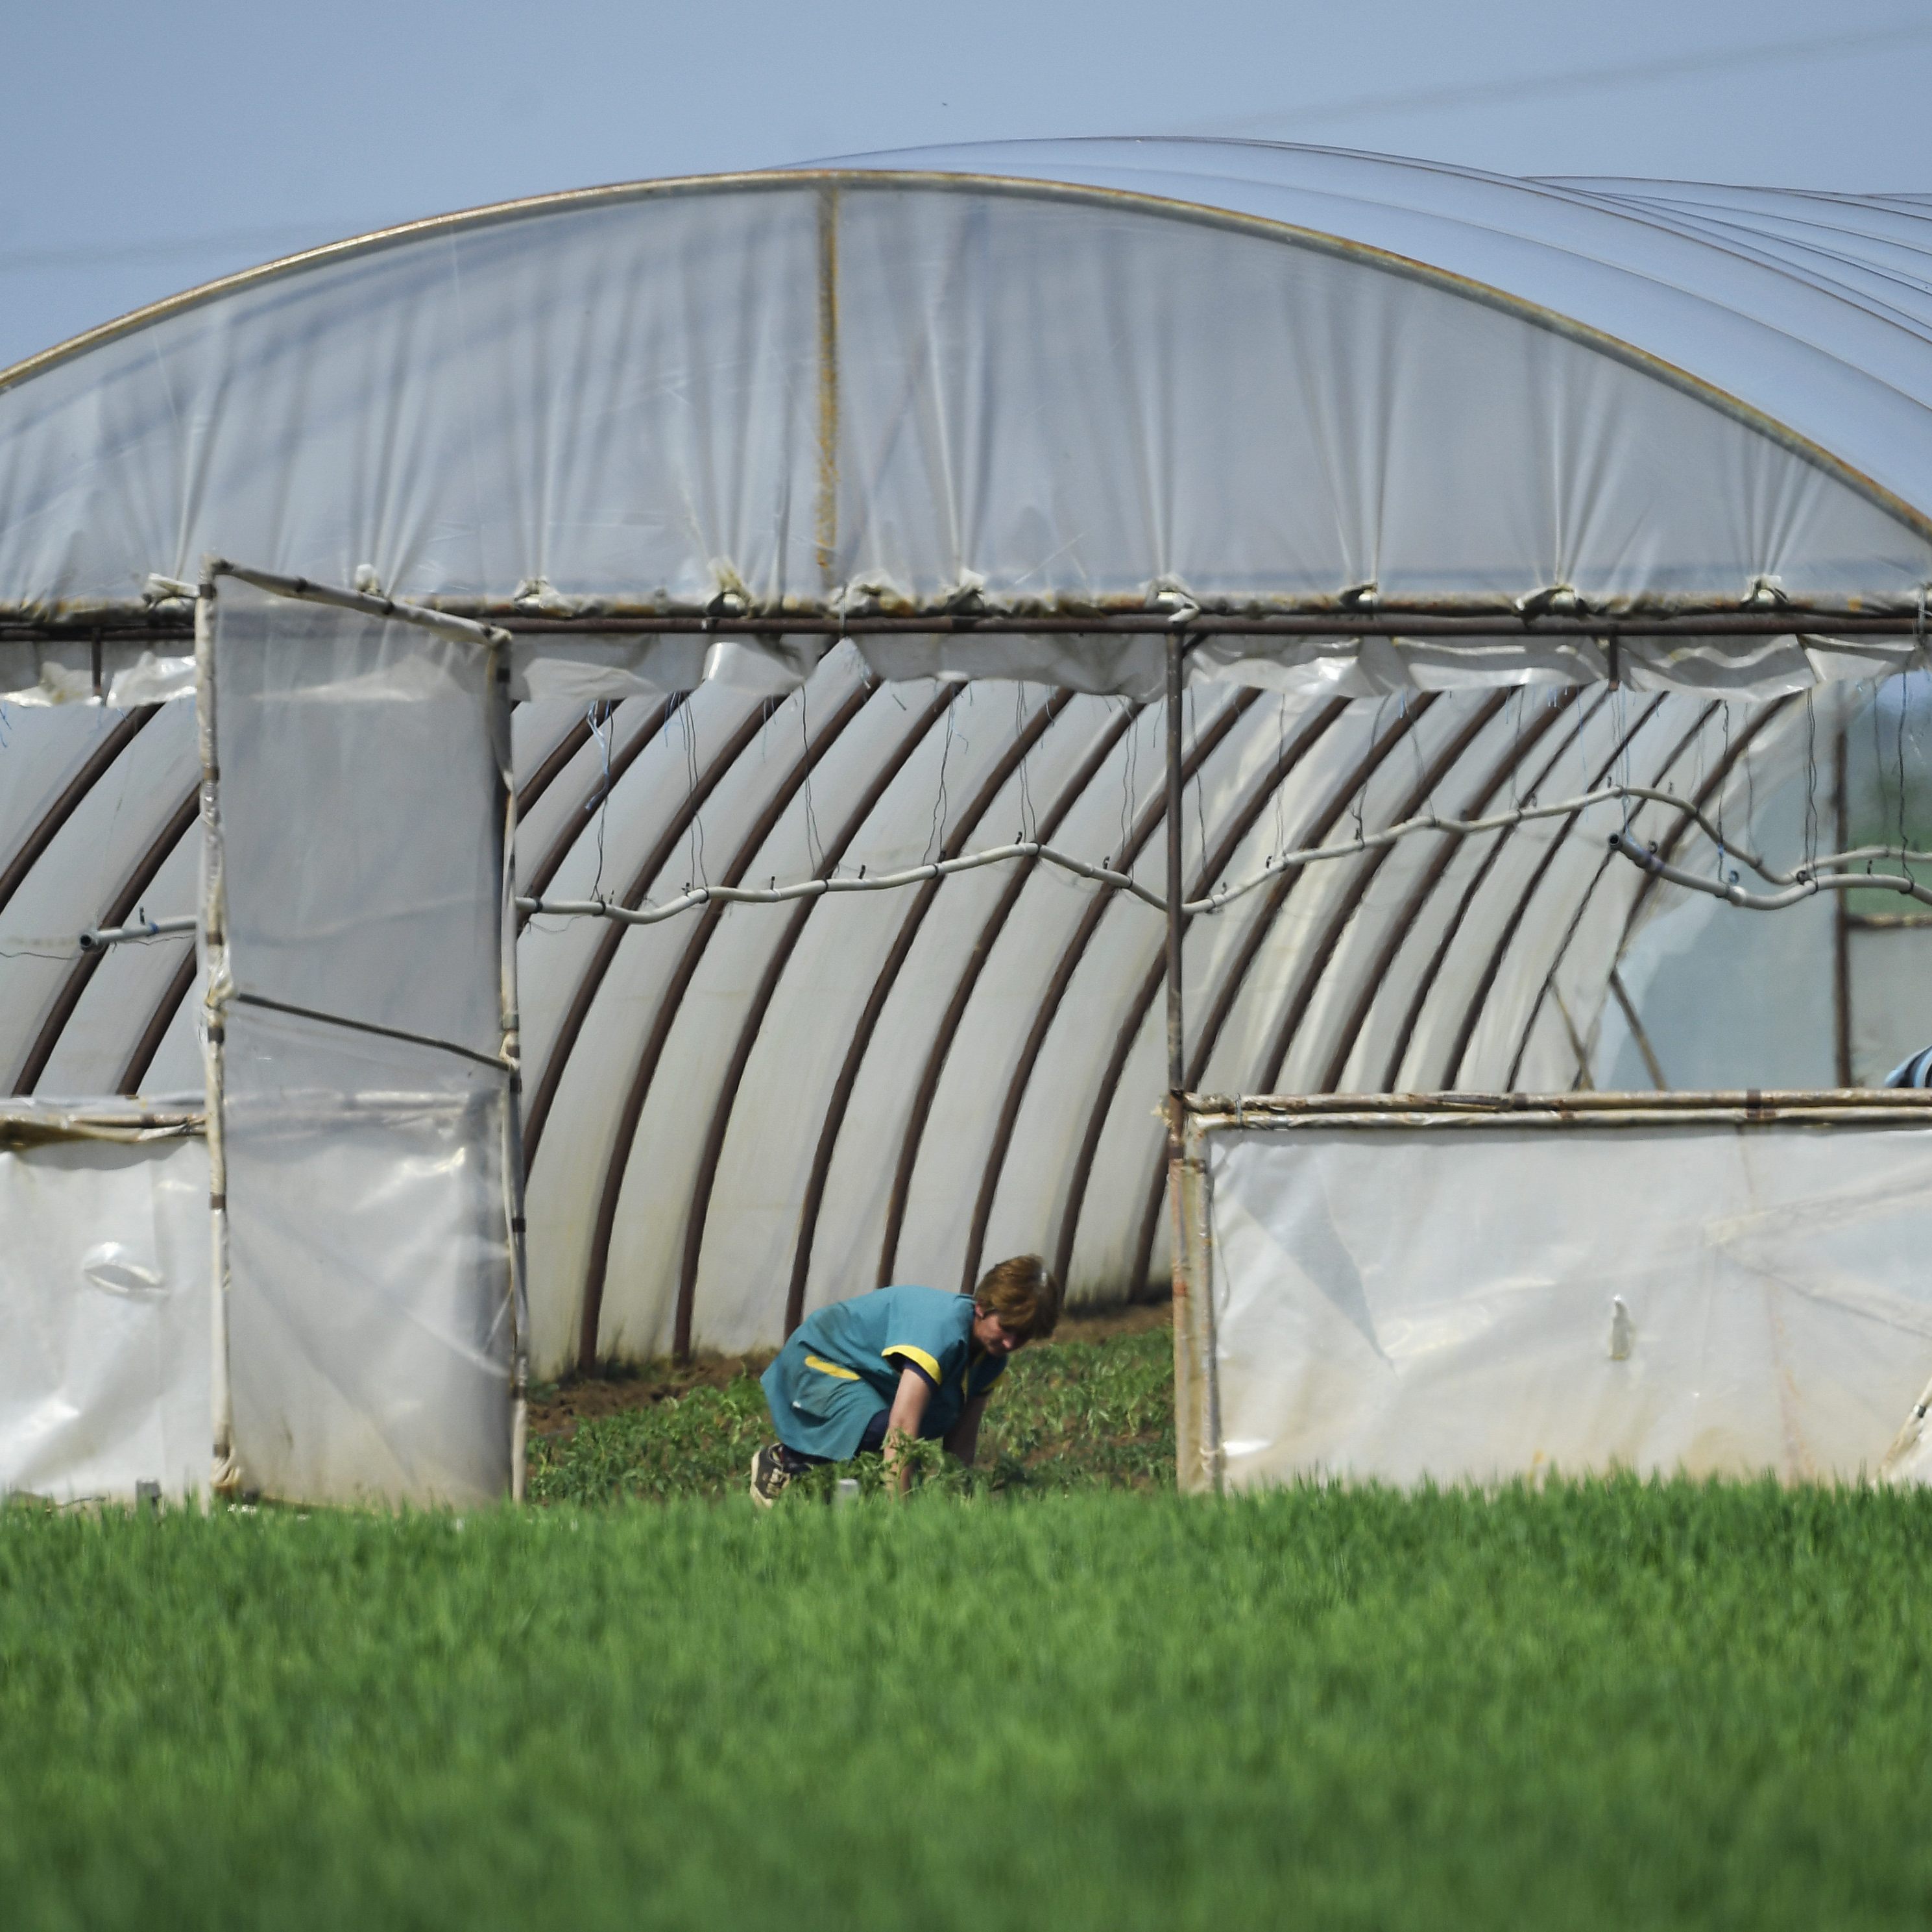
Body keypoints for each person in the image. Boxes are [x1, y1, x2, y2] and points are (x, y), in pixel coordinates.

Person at [750, 1255, 1061, 1506]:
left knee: (940, 1412)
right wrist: (901, 1516)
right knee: (889, 1426)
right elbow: (901, 1430)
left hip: (865, 1379)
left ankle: (841, 1487)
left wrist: (960, 1499)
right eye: (1006, 1328)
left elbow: (962, 1440)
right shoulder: (942, 1333)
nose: (1010, 1343)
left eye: (1024, 1336)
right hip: (819, 1362)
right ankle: (786, 1461)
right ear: (981, 1307)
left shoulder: (992, 1359)